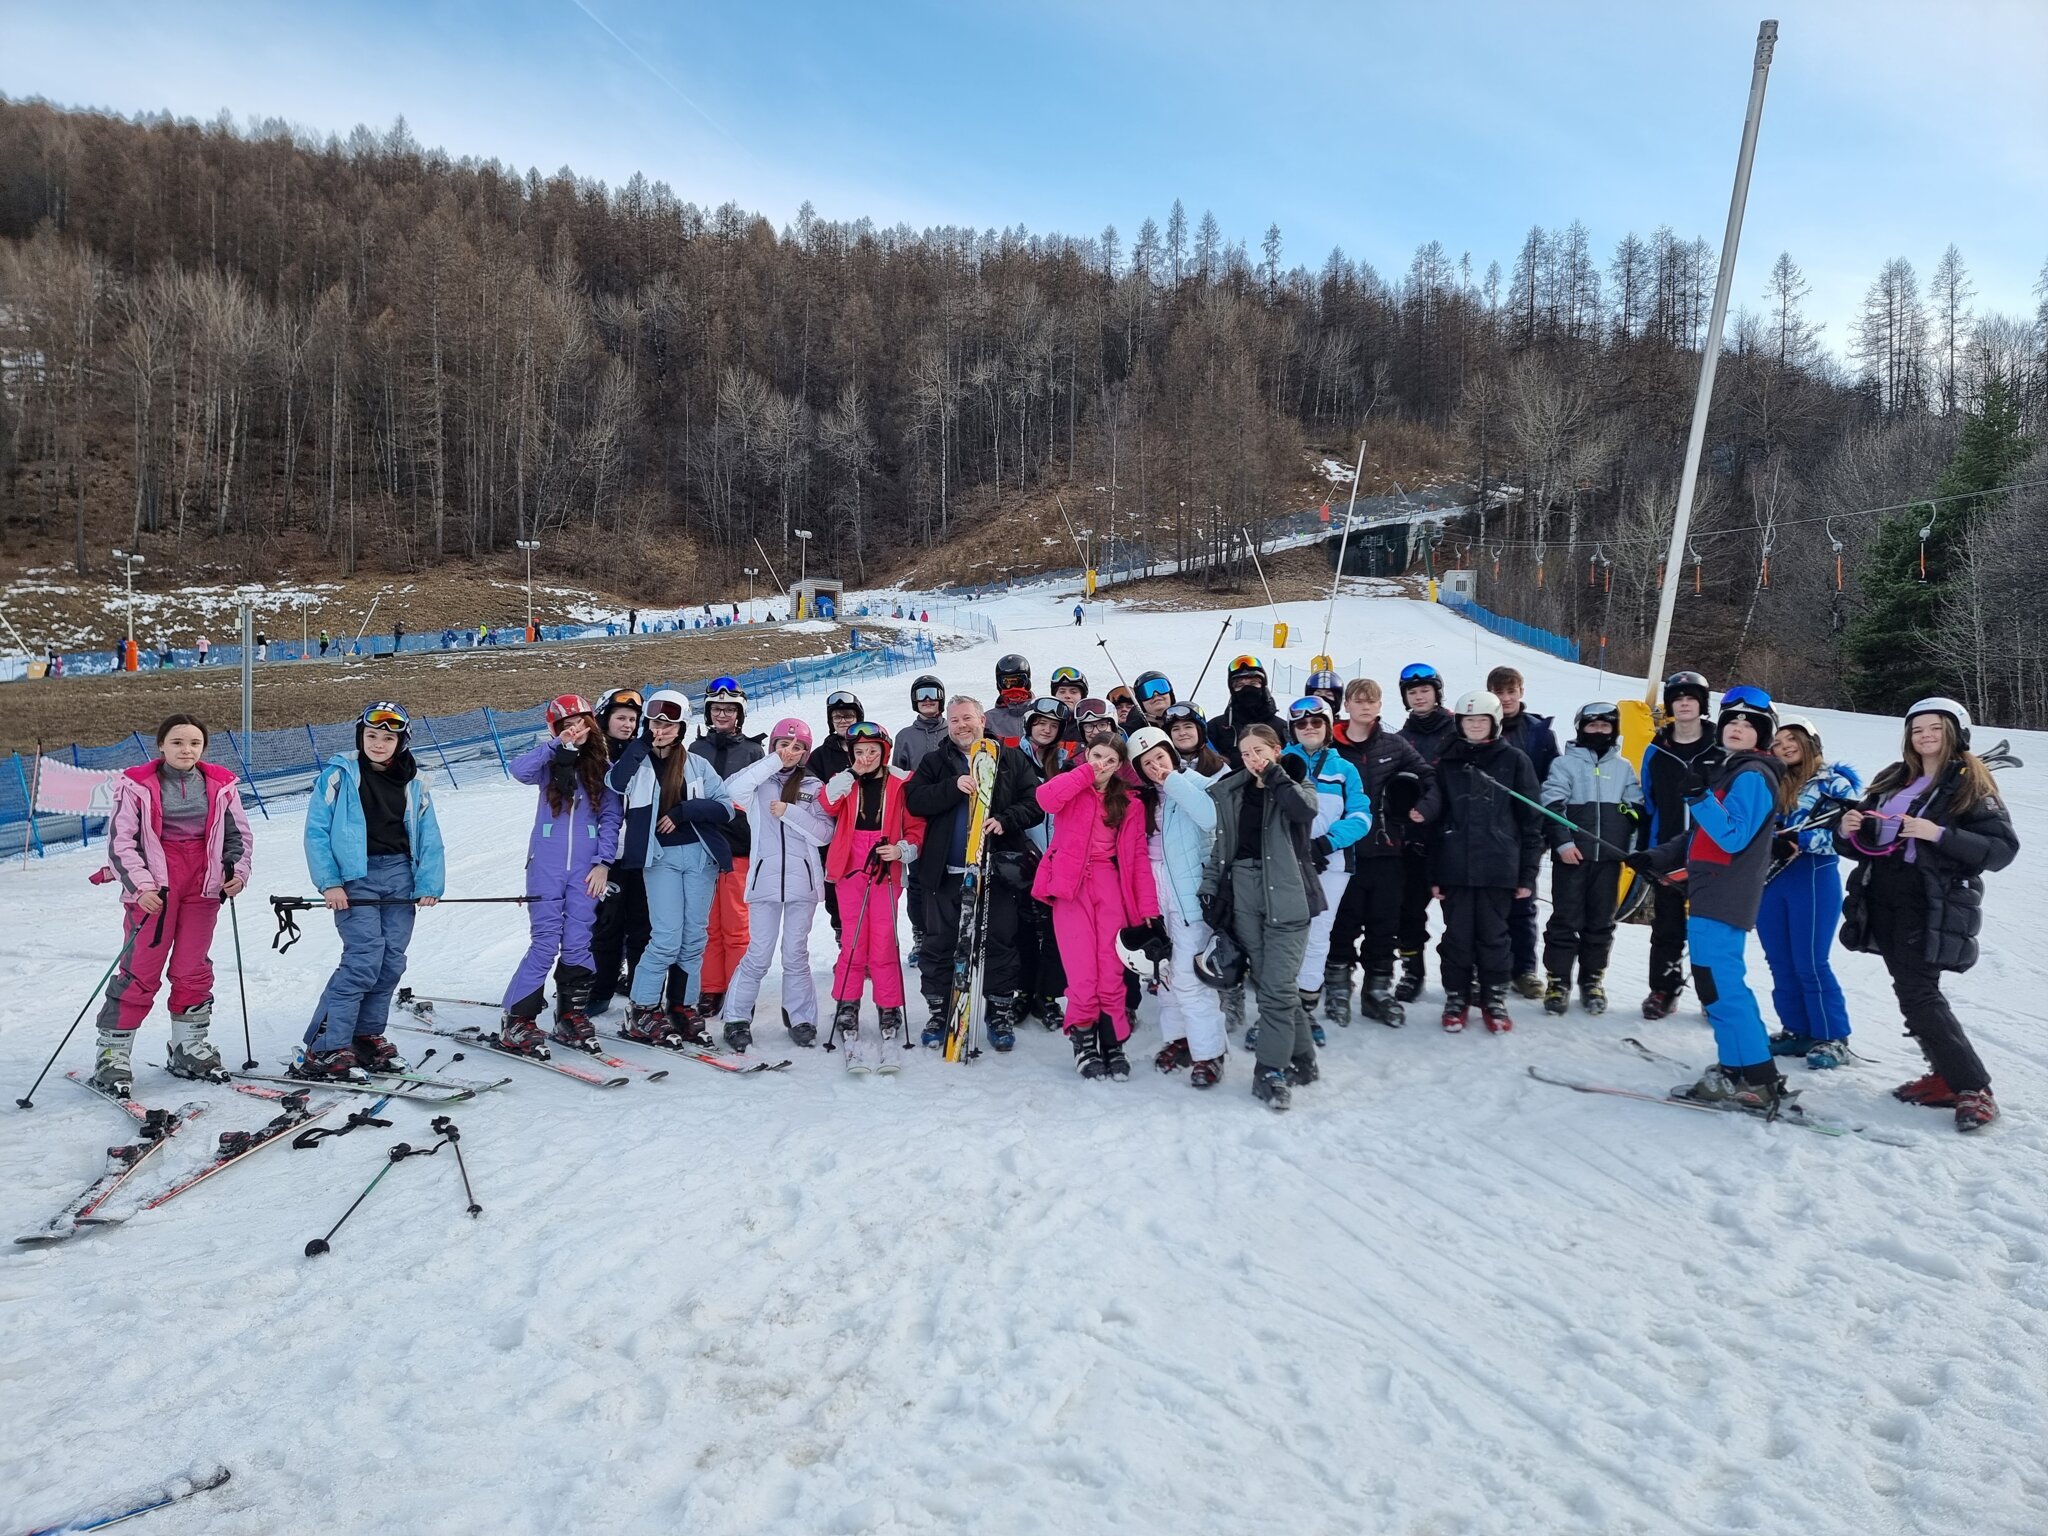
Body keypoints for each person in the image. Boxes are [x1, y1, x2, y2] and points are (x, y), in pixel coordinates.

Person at [1837, 698, 2017, 1132]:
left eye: (1935, 728)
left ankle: (1974, 1088)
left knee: (1920, 992)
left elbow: (2001, 849)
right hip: (1882, 891)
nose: (1925, 736)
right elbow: (1863, 841)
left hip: (1927, 898)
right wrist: (1845, 830)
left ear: (1955, 732)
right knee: (1909, 989)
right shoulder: (1895, 778)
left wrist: (1938, 833)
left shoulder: (1970, 784)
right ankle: (1944, 1076)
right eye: (1917, 730)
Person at [1631, 685, 1794, 1110]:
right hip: (1710, 891)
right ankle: (1738, 1069)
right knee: (1715, 983)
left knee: (1721, 985)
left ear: (1763, 735)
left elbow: (1732, 834)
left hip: (1726, 894)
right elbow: (1698, 834)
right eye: (1732, 722)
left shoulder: (1754, 775)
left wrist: (1698, 797)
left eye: (1748, 724)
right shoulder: (1732, 771)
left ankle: (1755, 1077)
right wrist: (1655, 856)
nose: (1738, 728)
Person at [87, 715, 252, 1095]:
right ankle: (113, 1053)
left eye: (194, 743)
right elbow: (120, 842)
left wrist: (237, 873)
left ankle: (188, 1046)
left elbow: (237, 834)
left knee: (192, 965)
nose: (186, 750)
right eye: (177, 742)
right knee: (141, 968)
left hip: (204, 881)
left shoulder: (221, 785)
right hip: (156, 883)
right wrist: (142, 886)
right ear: (161, 745)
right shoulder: (138, 785)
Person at [300, 702, 445, 1079]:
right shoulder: (339, 775)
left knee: (391, 961)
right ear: (360, 737)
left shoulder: (414, 781)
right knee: (363, 959)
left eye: (387, 737)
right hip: (354, 876)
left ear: (401, 742)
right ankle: (326, 1046)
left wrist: (429, 883)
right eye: (371, 736)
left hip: (400, 875)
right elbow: (316, 832)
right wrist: (330, 882)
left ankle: (366, 1035)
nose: (378, 744)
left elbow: (429, 835)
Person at [1200, 725, 1322, 1109]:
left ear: (1277, 749)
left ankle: (1269, 1070)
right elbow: (1223, 848)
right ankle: (1302, 1058)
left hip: (1288, 897)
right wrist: (1210, 887)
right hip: (1245, 896)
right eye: (1246, 753)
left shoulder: (1296, 785)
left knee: (1279, 988)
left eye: (1260, 751)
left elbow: (1303, 811)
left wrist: (1275, 773)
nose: (1253, 759)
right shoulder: (1232, 792)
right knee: (1271, 984)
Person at [608, 689, 734, 1045]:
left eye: (668, 724)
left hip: (698, 857)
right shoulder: (638, 763)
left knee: (693, 938)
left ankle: (682, 1005)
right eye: (655, 722)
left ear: (681, 727)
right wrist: (642, 745)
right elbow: (614, 784)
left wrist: (683, 812)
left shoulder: (696, 764)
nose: (661, 729)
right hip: (659, 859)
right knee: (665, 938)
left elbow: (724, 807)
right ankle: (643, 1008)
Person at [1032, 733, 1161, 1079]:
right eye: (1097, 756)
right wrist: (1085, 773)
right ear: (1088, 754)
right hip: (1070, 887)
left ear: (1120, 767)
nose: (1102, 765)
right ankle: (1084, 1043)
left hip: (1109, 887)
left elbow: (1136, 859)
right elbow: (1045, 799)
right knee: (1081, 972)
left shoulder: (1129, 804)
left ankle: (1113, 1043)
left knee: (1111, 970)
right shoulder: (1071, 788)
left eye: (1110, 761)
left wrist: (1147, 908)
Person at [499, 696, 621, 1055]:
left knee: (578, 940)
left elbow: (611, 819)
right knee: (545, 940)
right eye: (567, 724)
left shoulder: (604, 767)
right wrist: (557, 745)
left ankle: (571, 1016)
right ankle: (518, 1020)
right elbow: (518, 770)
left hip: (587, 869)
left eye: (582, 722)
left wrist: (603, 862)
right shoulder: (549, 764)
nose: (576, 729)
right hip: (547, 866)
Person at [1431, 691, 1543, 1034]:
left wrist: (1527, 873)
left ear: (1494, 723)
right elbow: (1437, 820)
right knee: (1458, 937)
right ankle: (1457, 996)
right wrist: (1435, 872)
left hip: (1499, 866)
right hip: (1456, 866)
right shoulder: (1447, 761)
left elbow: (1530, 820)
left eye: (1481, 720)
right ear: (1459, 724)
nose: (1475, 726)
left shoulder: (1514, 760)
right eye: (1468, 721)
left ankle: (1494, 996)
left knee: (1495, 937)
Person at [1326, 678, 1436, 1027]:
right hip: (1343, 853)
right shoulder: (1331, 746)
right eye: (1359, 700)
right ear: (1347, 705)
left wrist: (1423, 808)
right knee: (1342, 925)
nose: (1366, 706)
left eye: (1372, 700)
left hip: (1387, 851)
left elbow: (1429, 778)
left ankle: (1377, 991)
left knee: (1383, 924)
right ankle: (1338, 989)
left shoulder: (1395, 744)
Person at [721, 719, 834, 1049]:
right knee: (758, 952)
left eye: (797, 747)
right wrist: (773, 762)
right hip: (764, 882)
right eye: (783, 745)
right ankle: (737, 1018)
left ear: (805, 753)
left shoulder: (814, 787)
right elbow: (731, 791)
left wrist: (790, 813)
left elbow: (823, 833)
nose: (789, 752)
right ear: (773, 747)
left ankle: (801, 1017)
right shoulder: (758, 784)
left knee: (795, 954)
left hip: (803, 883)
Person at [1757, 713, 1861, 1069]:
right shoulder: (1772, 781)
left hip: (1813, 876)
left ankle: (1832, 1036)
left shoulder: (1833, 783)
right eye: (1778, 742)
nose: (1785, 747)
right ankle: (1797, 1028)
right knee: (1779, 960)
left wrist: (1800, 839)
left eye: (1792, 740)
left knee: (1810, 962)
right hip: (1772, 877)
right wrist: (1770, 842)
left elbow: (1846, 835)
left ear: (1809, 742)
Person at [821, 722, 924, 1071]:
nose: (866, 758)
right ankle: (847, 1002)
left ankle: (888, 1004)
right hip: (850, 863)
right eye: (860, 752)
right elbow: (827, 802)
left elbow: (915, 827)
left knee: (883, 938)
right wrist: (850, 772)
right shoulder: (845, 781)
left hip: (884, 861)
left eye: (872, 752)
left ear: (884, 753)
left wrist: (903, 849)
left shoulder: (901, 782)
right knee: (853, 939)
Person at [1129, 725, 1227, 1086]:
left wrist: (1173, 780)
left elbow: (1211, 818)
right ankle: (1180, 1039)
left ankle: (1210, 1051)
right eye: (1146, 763)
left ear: (1171, 753)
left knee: (1189, 979)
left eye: (1160, 757)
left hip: (1189, 896)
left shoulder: (1196, 784)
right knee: (1165, 974)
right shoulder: (1145, 799)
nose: (1155, 767)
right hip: (1157, 894)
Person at [905, 697, 1006, 1044]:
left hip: (993, 873)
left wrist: (1005, 819)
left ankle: (999, 1012)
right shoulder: (936, 761)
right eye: (954, 720)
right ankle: (939, 1011)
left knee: (997, 943)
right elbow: (914, 800)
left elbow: (1031, 801)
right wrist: (951, 787)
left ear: (982, 718)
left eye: (967, 718)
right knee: (939, 944)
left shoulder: (1005, 757)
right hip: (946, 870)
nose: (961, 725)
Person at [1278, 697, 1372, 1048]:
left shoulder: (1344, 769)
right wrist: (1293, 849)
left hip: (1331, 865)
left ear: (1328, 726)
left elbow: (1361, 816)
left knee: (1317, 935)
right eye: (1301, 724)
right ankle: (1280, 1010)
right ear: (1292, 730)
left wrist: (1326, 844)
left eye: (1316, 722)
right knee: (1284, 936)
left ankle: (1304, 1008)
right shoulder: (1282, 763)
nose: (1309, 729)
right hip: (1287, 862)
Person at [1538, 702, 1642, 1017]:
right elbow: (1552, 805)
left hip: (1609, 860)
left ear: (1614, 730)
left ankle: (1592, 980)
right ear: (1581, 728)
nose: (1598, 731)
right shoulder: (1564, 765)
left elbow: (1637, 812)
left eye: (1605, 726)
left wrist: (1632, 850)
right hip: (1573, 858)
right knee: (1564, 921)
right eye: (1592, 726)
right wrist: (1564, 843)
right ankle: (1557, 981)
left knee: (1601, 923)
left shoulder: (1623, 768)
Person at [1637, 671, 1720, 1018]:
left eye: (1691, 697)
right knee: (1667, 927)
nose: (1684, 702)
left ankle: (1712, 997)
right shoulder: (1657, 751)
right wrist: (1648, 851)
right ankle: (1663, 990)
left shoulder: (1722, 748)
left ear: (1702, 704)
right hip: (1670, 851)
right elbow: (1648, 802)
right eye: (1678, 697)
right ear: (1670, 704)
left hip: (1713, 852)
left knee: (1710, 930)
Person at [691, 678, 764, 1039]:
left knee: (736, 923)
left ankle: (739, 988)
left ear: (740, 715)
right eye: (717, 709)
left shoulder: (752, 751)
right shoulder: (694, 748)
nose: (722, 714)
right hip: (701, 845)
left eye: (729, 709)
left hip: (737, 846)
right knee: (707, 924)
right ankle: (711, 987)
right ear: (708, 713)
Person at [1487, 665, 1559, 999]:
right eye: (1499, 693)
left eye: (1510, 692)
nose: (1505, 699)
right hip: (1487, 831)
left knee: (1523, 900)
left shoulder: (1538, 733)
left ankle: (1525, 969)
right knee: (1487, 903)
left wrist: (1543, 828)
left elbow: (1552, 780)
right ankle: (1489, 966)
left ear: (1521, 692)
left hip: (1526, 830)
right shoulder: (1481, 726)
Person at [1394, 662, 1457, 1003]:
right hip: (1414, 837)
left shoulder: (1458, 731)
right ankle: (1412, 970)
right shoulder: (1402, 739)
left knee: (1457, 912)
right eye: (1412, 692)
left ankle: (1458, 973)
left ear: (1437, 692)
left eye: (1424, 690)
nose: (1419, 697)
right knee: (1409, 911)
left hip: (1451, 838)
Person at [586, 689, 650, 1017]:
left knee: (642, 927)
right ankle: (600, 988)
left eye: (632, 720)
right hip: (606, 856)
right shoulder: (593, 755)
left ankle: (641, 992)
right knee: (607, 926)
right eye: (620, 718)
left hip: (641, 854)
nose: (627, 725)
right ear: (604, 719)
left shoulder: (647, 754)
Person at [1016, 697, 1076, 1028]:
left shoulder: (1065, 762)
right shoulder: (1012, 759)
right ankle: (1023, 991)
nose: (1046, 730)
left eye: (1052, 726)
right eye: (1040, 723)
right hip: (1025, 856)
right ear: (1029, 725)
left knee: (1057, 932)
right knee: (1022, 929)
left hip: (1059, 860)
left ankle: (1049, 995)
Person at [892, 674, 950, 964]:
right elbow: (898, 779)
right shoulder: (905, 736)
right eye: (921, 694)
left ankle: (947, 934)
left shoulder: (951, 730)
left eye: (933, 693)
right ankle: (921, 935)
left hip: (949, 813)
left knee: (947, 876)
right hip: (916, 815)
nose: (927, 699)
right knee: (917, 880)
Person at [808, 690, 866, 940]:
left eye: (849, 716)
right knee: (835, 887)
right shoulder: (821, 755)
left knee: (865, 886)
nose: (843, 721)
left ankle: (868, 940)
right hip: (833, 833)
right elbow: (814, 793)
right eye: (838, 717)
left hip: (865, 829)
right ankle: (844, 937)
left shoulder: (867, 747)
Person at [1203, 655, 1283, 767]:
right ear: (1232, 690)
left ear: (1263, 687)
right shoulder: (1215, 727)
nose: (1247, 689)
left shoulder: (1282, 727)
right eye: (1240, 685)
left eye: (1253, 684)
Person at [985, 654, 1034, 745]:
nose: (1012, 688)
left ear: (1027, 682)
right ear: (999, 685)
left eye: (1018, 681)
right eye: (1006, 683)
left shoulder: (1041, 713)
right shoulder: (988, 720)